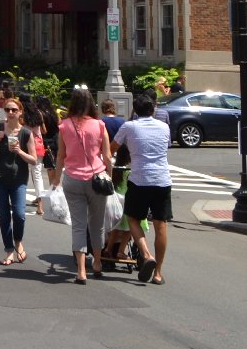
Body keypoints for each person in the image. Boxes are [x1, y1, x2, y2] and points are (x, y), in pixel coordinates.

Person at [51, 86, 115, 284]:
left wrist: (56, 179)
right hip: (96, 179)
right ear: (90, 103)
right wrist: (109, 176)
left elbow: (61, 155)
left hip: (72, 179)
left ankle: (80, 270)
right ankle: (97, 262)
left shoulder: (64, 126)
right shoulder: (99, 125)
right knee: (97, 225)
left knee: (78, 226)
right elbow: (107, 156)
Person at [114, 92, 172, 284]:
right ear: (153, 108)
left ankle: (147, 255)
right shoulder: (164, 127)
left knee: (132, 218)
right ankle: (158, 273)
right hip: (163, 179)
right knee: (160, 224)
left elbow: (113, 147)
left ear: (135, 111)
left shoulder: (129, 126)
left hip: (139, 179)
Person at [0, 97, 34, 267]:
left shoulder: (26, 133)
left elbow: (34, 160)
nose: (10, 113)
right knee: (4, 216)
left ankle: (18, 241)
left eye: (14, 110)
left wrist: (19, 151)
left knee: (20, 215)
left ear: (20, 112)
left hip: (19, 180)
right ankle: (9, 249)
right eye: (7, 109)